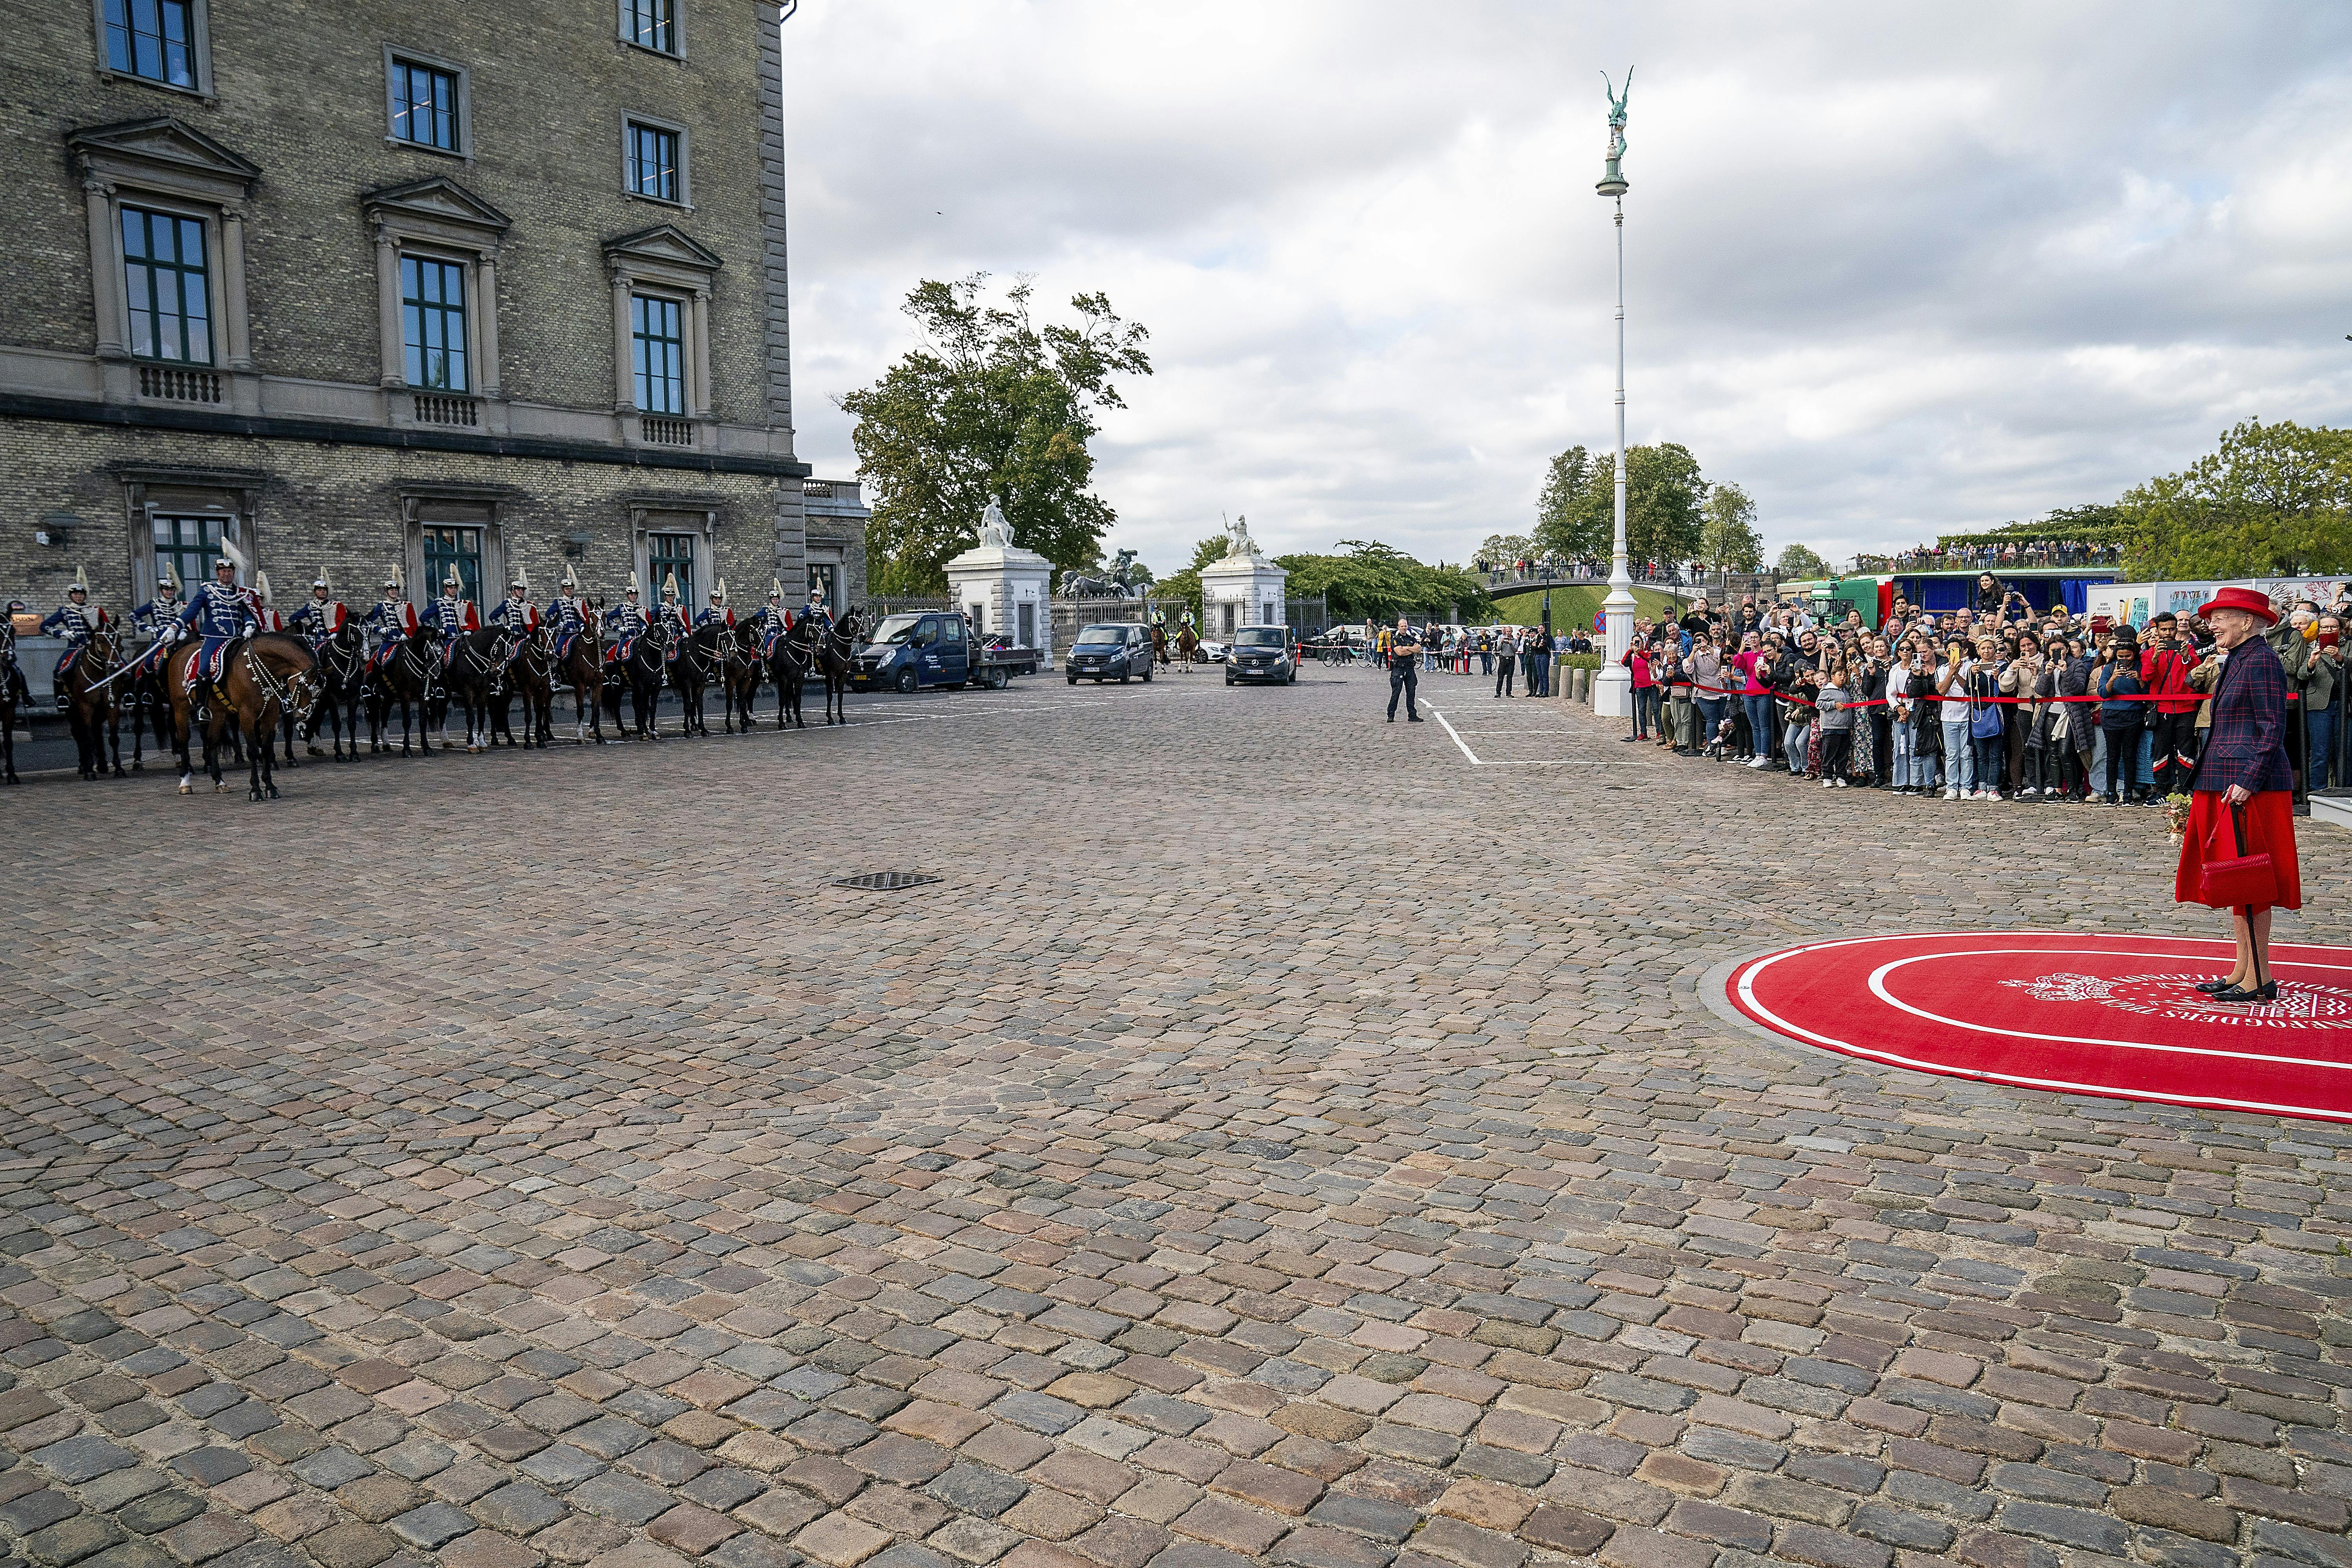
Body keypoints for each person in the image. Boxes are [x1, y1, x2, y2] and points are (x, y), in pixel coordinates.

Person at [2175, 586, 2300, 1003]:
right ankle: (2243, 969)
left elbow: (2272, 727)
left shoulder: (2262, 660)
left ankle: (2260, 977)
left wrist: (2249, 779)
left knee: (2252, 881)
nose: (2211, 624)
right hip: (2226, 779)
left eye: (2221, 616)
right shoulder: (2239, 658)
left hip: (2248, 786)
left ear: (2247, 621)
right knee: (2235, 880)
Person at [178, 554, 260, 704]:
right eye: (223, 571)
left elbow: (248, 614)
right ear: (218, 573)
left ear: (234, 573)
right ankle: (201, 706)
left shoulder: (241, 593)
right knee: (204, 667)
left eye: (230, 571)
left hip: (238, 638)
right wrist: (175, 626)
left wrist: (250, 626)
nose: (227, 574)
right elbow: (192, 612)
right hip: (215, 637)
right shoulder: (208, 591)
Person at [2095, 628, 2146, 805]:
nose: (2124, 660)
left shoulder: (2140, 667)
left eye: (2128, 656)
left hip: (2134, 716)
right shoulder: (2109, 669)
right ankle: (2111, 794)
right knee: (2112, 756)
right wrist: (2113, 678)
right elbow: (2103, 694)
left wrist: (2139, 679)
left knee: (2130, 756)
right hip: (2111, 716)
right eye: (2121, 657)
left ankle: (2128, 795)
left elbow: (2147, 693)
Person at [42, 568, 105, 710]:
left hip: (94, 646)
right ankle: (61, 697)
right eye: (75, 594)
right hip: (74, 647)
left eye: (81, 594)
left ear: (85, 595)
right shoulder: (65, 611)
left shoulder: (93, 610)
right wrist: (62, 633)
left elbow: (104, 627)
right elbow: (45, 626)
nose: (78, 597)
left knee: (120, 664)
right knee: (59, 669)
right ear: (71, 596)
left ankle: (127, 693)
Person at [421, 571, 478, 666]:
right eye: (451, 588)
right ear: (445, 590)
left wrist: (469, 629)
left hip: (463, 638)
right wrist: (436, 630)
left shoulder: (464, 604)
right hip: (447, 640)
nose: (453, 590)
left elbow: (471, 621)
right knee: (446, 663)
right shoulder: (439, 603)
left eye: (455, 588)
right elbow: (424, 617)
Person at [363, 574, 418, 671]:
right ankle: (372, 683)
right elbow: (367, 620)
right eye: (391, 590)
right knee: (378, 659)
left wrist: (406, 634)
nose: (394, 592)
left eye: (396, 590)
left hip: (405, 640)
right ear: (386, 592)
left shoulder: (404, 606)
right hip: (390, 641)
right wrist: (379, 629)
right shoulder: (382, 606)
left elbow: (411, 623)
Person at [289, 574, 348, 649]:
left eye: (324, 590)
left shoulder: (336, 606)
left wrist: (336, 633)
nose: (323, 592)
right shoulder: (310, 607)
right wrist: (306, 628)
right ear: (315, 593)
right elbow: (293, 618)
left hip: (335, 638)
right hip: (318, 641)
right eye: (320, 590)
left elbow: (343, 622)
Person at [1385, 615, 1422, 722]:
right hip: (1399, 669)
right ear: (1398, 627)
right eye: (1402, 626)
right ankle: (1391, 715)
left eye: (1406, 626)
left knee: (1411, 692)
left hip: (1410, 668)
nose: (1404, 628)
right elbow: (1400, 652)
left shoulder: (1411, 638)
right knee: (1396, 692)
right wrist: (1411, 650)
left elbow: (1419, 649)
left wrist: (1406, 648)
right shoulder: (1395, 640)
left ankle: (1412, 715)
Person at [1492, 627, 1516, 697]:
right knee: (1500, 677)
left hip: (1511, 659)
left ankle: (1509, 693)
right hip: (1503, 659)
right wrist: (1502, 643)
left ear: (1512, 632)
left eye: (1510, 631)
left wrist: (1511, 644)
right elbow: (1498, 649)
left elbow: (1515, 650)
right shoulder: (1502, 639)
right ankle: (1498, 693)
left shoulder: (1515, 641)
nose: (1508, 633)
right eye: (1507, 631)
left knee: (1509, 677)